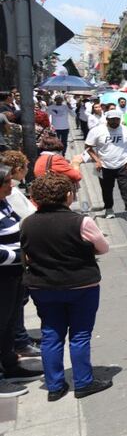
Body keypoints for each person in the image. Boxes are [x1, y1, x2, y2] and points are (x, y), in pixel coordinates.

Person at [20, 173, 111, 400]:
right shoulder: (81, 222)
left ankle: (54, 386)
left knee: (51, 334)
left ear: (36, 198)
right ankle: (83, 382)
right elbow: (103, 248)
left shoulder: (27, 223)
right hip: (81, 285)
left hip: (43, 287)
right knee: (80, 335)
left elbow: (26, 254)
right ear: (68, 195)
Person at [0, 165, 45, 398]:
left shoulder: (4, 203)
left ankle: (10, 365)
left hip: (14, 274)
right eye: (7, 182)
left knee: (9, 321)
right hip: (3, 274)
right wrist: (20, 256)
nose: (12, 185)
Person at [84, 110, 127, 221]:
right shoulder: (97, 130)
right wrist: (97, 160)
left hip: (123, 164)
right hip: (104, 165)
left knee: (125, 188)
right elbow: (88, 147)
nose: (115, 122)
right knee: (107, 189)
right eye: (112, 119)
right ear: (107, 119)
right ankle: (109, 209)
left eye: (117, 119)